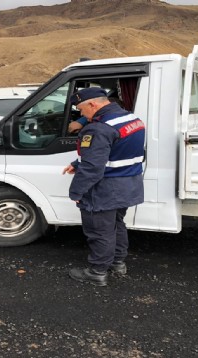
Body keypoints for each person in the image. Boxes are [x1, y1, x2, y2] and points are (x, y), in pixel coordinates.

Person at [62, 87, 145, 286]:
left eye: (81, 110)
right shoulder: (132, 119)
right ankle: (118, 263)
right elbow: (116, 151)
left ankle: (97, 272)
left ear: (93, 104)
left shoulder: (98, 128)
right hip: (128, 184)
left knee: (100, 231)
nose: (82, 115)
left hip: (105, 188)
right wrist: (76, 164)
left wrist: (76, 191)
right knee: (116, 225)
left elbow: (92, 167)